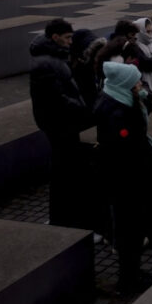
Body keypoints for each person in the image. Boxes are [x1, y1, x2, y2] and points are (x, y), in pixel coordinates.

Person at [93, 61, 152, 293]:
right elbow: (126, 151)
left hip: (129, 178)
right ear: (125, 85)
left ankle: (134, 271)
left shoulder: (122, 100)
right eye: (137, 81)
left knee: (133, 227)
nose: (140, 84)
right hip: (125, 181)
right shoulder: (117, 113)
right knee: (128, 229)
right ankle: (128, 279)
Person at [30, 18, 94, 229]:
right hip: (60, 126)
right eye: (67, 38)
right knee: (63, 174)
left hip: (65, 124)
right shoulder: (46, 63)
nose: (70, 42)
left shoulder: (54, 57)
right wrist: (84, 109)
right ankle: (64, 220)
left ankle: (66, 218)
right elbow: (57, 98)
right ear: (55, 37)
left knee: (66, 173)